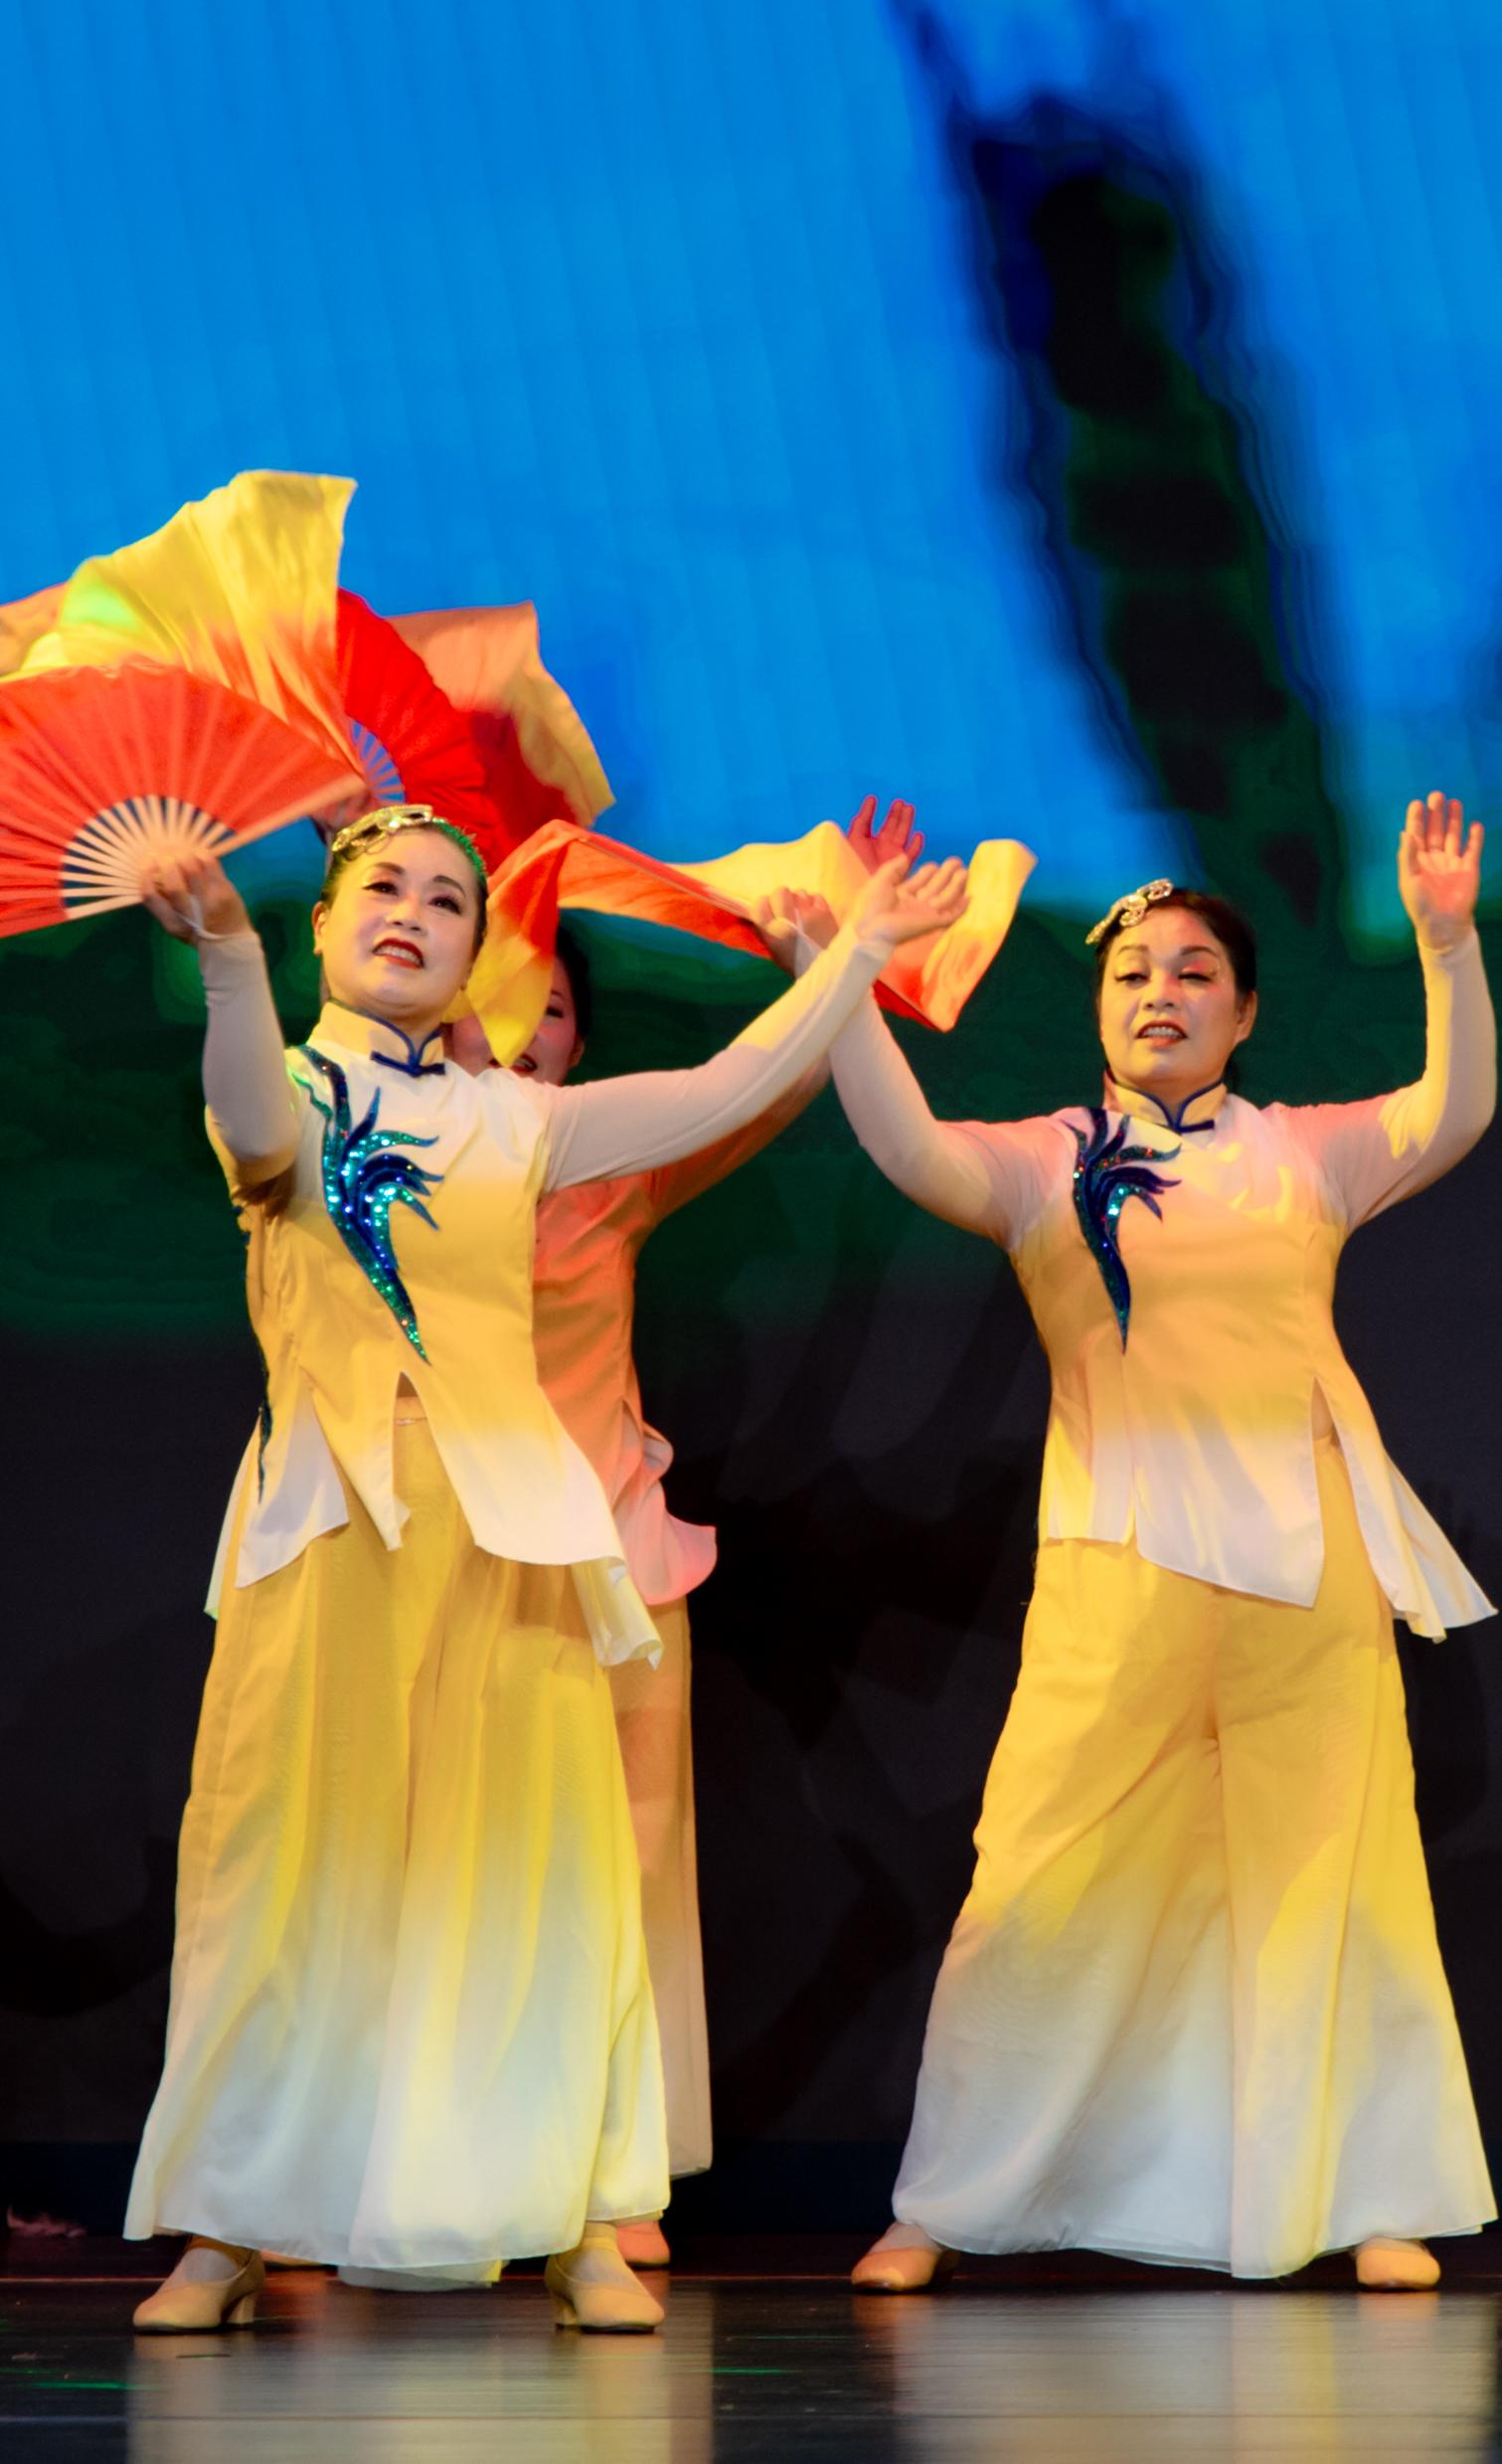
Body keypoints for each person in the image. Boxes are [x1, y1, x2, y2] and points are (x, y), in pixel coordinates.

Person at [117, 805, 967, 2335]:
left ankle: (575, 2212)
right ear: (323, 925)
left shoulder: (516, 1122)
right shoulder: (290, 1087)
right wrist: (227, 957)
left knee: (540, 1876)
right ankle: (231, 2223)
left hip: (509, 1535)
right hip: (324, 1530)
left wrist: (856, 955)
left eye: (447, 900)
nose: (412, 912)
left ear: (474, 960)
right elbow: (249, 1133)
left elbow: (726, 1086)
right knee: (285, 1869)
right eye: (382, 888)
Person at [825, 795, 1499, 2294]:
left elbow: (1451, 1114)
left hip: (1304, 1562)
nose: (1161, 995)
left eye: (1195, 974)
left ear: (1243, 1014)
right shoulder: (1042, 1162)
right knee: (1040, 1876)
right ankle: (947, 2202)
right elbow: (904, 1145)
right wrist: (852, 978)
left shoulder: (1305, 1154)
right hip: (1115, 1562)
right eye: (1133, 974)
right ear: (1097, 1010)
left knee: (1327, 1873)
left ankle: (1365, 2193)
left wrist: (1446, 946)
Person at [482, 914, 832, 2270]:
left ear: (582, 1041)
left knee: (624, 1862)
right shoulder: (383, 1163)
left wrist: (828, 969)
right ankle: (383, 2162)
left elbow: (762, 1092)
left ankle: (611, 2164)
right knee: (441, 1868)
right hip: (446, 1562)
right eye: (501, 994)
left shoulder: (611, 1172)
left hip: (610, 1561)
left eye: (553, 1006)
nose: (526, 1028)